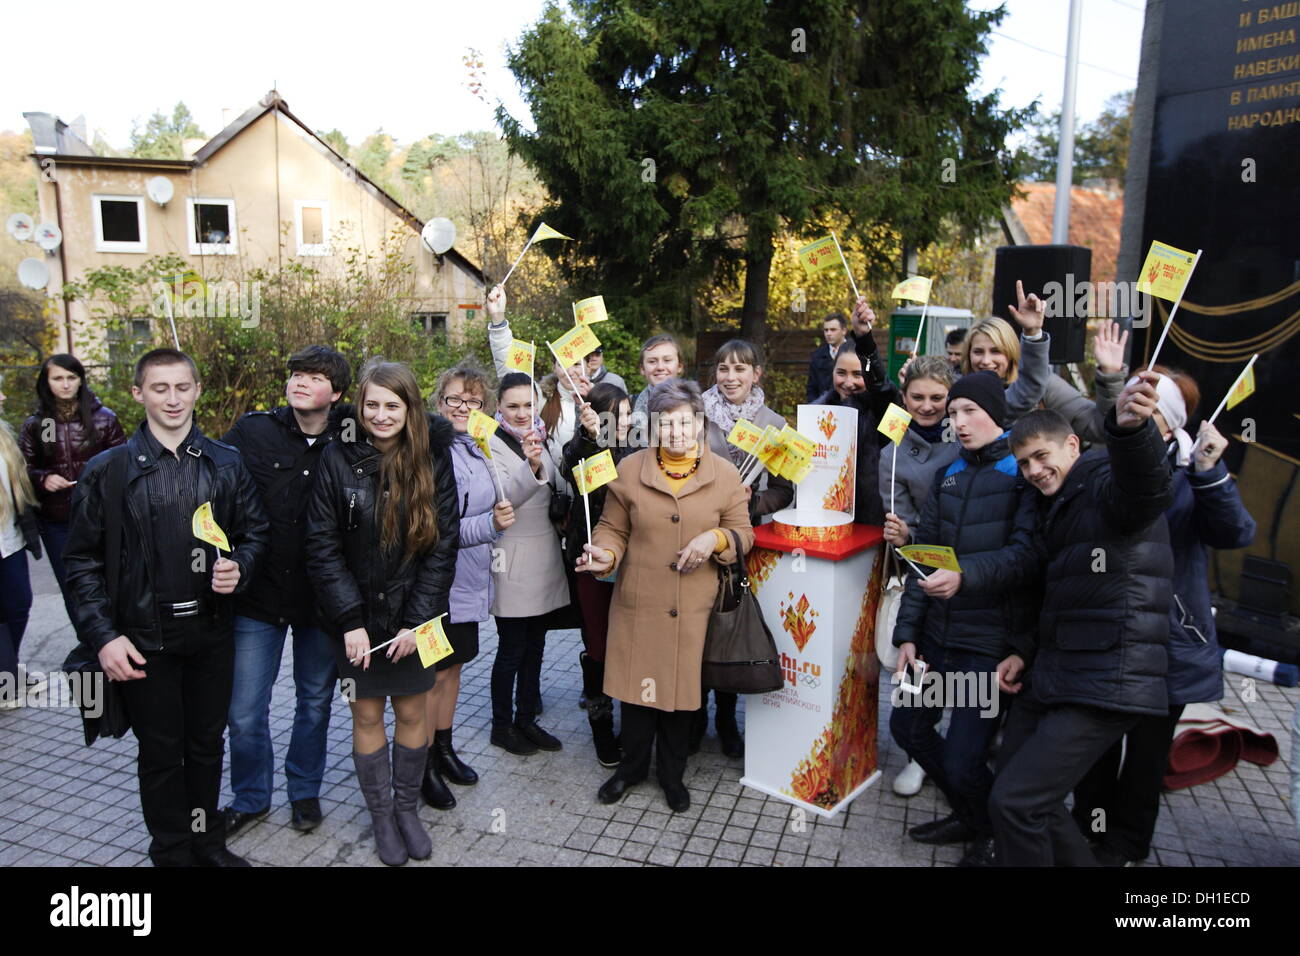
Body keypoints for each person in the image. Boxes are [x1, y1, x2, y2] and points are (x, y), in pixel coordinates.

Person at [64, 348, 270, 867]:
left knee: (206, 745)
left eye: (182, 387)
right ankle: (172, 851)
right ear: (137, 393)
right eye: (160, 388)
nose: (173, 399)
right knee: (160, 753)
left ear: (197, 390)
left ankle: (207, 841)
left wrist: (240, 567)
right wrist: (103, 637)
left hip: (212, 634)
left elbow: (255, 534)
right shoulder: (106, 471)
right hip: (141, 640)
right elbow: (81, 563)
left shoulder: (226, 461)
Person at [1071, 363, 1256, 865]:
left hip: (1168, 643)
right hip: (1103, 636)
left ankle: (1125, 845)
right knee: (1095, 748)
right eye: (1126, 406)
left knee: (1146, 756)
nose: (1132, 415)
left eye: (1147, 412)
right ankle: (1089, 826)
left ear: (1171, 425)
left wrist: (1210, 473)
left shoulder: (1193, 475)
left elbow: (1237, 534)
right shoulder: (1099, 465)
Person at [990, 373, 1174, 867]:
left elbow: (1147, 490)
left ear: (1072, 444)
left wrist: (1131, 431)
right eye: (1025, 462)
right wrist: (1022, 651)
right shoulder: (1051, 504)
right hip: (1056, 672)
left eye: (1042, 457)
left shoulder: (1100, 480)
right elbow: (1052, 593)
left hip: (1107, 679)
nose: (1034, 470)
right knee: (1025, 798)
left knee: (1017, 803)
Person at [304, 360, 459, 866]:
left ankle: (407, 809)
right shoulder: (336, 457)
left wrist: (418, 623)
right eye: (372, 404)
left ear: (410, 408)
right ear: (360, 407)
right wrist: (349, 620)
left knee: (414, 710)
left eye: (392, 405)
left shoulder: (433, 458)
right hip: (356, 621)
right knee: (367, 714)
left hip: (418, 618)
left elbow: (442, 548)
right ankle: (380, 814)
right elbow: (321, 545)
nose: (381, 414)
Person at [578, 380, 754, 813]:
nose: (675, 431)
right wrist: (605, 554)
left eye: (683, 421)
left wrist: (714, 539)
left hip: (695, 607)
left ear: (699, 422)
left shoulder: (726, 474)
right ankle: (632, 769)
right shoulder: (630, 469)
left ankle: (672, 776)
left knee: (679, 700)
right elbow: (613, 528)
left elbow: (744, 535)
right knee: (638, 696)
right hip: (641, 601)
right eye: (665, 423)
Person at [889, 371, 1039, 867]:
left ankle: (992, 834)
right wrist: (908, 633)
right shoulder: (948, 474)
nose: (958, 422)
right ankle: (968, 814)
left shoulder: (1022, 475)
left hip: (985, 646)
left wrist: (965, 577)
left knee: (963, 756)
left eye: (968, 411)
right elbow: (924, 558)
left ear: (997, 414)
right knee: (908, 728)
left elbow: (1025, 557)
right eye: (953, 414)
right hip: (936, 638)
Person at [217, 345, 352, 838]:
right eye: (296, 373)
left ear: (336, 394)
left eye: (314, 377)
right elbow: (207, 472)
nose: (299, 382)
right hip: (258, 594)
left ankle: (304, 793)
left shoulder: (352, 433)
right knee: (245, 709)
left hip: (322, 600)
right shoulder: (254, 431)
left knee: (314, 700)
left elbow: (417, 434)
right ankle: (251, 797)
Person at [422, 363, 516, 809]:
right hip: (437, 583)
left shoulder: (482, 447)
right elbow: (432, 528)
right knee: (433, 675)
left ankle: (444, 748)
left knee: (455, 668)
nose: (462, 408)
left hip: (471, 578)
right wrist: (489, 525)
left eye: (473, 401)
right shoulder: (429, 450)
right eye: (453, 399)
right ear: (439, 403)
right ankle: (419, 762)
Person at [698, 338, 794, 758]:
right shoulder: (696, 414)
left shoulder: (775, 425)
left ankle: (726, 717)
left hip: (743, 541)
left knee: (732, 623)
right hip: (697, 535)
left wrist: (752, 504)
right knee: (697, 624)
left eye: (740, 369)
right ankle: (693, 715)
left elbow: (784, 488)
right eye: (723, 368)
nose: (731, 377)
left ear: (757, 374)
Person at [877, 355, 959, 798]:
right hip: (923, 573)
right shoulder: (892, 451)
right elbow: (901, 524)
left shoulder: (967, 435)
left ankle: (968, 752)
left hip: (975, 570)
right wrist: (907, 535)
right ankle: (916, 752)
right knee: (917, 669)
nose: (927, 406)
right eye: (917, 397)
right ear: (904, 398)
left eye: (937, 398)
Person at [486, 371, 570, 756]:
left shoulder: (543, 436)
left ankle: (526, 718)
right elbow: (504, 499)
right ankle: (501, 725)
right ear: (498, 407)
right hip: (514, 558)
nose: (522, 413)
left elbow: (559, 484)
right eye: (513, 406)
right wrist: (532, 465)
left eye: (528, 405)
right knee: (511, 648)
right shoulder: (488, 443)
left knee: (536, 644)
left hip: (545, 554)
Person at [18, 354, 126, 628]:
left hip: (100, 516)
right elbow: (24, 468)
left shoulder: (104, 419)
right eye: (58, 378)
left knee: (110, 580)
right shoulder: (38, 424)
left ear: (80, 380)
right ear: (47, 382)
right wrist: (43, 479)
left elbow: (123, 464)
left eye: (71, 378)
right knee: (73, 587)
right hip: (57, 520)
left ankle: (116, 640)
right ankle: (89, 647)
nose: (65, 385)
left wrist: (99, 484)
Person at [563, 381, 633, 768]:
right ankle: (601, 726)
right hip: (591, 564)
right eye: (611, 416)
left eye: (626, 415)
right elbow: (574, 466)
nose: (620, 423)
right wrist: (591, 437)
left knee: (633, 643)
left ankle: (635, 725)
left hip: (633, 565)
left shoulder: (643, 452)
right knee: (599, 647)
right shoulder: (580, 449)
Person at [960, 281, 1126, 439]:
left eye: (996, 351)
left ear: (1011, 353)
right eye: (978, 352)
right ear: (968, 355)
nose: (986, 360)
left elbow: (1099, 426)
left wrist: (1110, 375)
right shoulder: (956, 390)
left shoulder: (1044, 384)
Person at [485, 284, 591, 474]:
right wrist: (498, 320)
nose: (571, 371)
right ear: (554, 367)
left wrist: (595, 403)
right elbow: (510, 370)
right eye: (562, 364)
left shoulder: (602, 397)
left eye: (576, 364)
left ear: (589, 366)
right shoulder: (541, 397)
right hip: (550, 491)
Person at [813, 298, 898, 526]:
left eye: (858, 375)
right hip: (824, 518)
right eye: (841, 373)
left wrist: (864, 339)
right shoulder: (817, 415)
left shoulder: (883, 411)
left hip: (869, 523)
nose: (848, 382)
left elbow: (883, 388)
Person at [0, 379, 42, 709]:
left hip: (10, 542)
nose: (2, 396)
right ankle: (7, 680)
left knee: (18, 604)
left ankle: (7, 669)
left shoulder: (4, 437)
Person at [630, 333, 686, 423]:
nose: (660, 367)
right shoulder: (630, 406)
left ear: (679, 366)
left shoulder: (696, 404)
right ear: (642, 369)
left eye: (667, 360)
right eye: (652, 361)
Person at [807, 312, 853, 403]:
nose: (828, 333)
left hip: (851, 407)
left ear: (844, 330)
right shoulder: (817, 356)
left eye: (833, 330)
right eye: (826, 330)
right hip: (824, 409)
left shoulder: (856, 352)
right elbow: (812, 388)